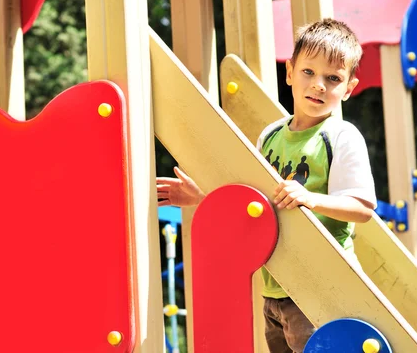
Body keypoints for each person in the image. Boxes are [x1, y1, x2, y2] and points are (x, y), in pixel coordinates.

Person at [156, 18, 377, 353]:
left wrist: (311, 199)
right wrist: (200, 198)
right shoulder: (270, 136)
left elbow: (362, 209)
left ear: (348, 88)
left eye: (332, 79)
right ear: (289, 72)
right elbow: (256, 209)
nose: (318, 85)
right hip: (274, 290)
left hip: (321, 288)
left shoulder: (341, 137)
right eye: (308, 72)